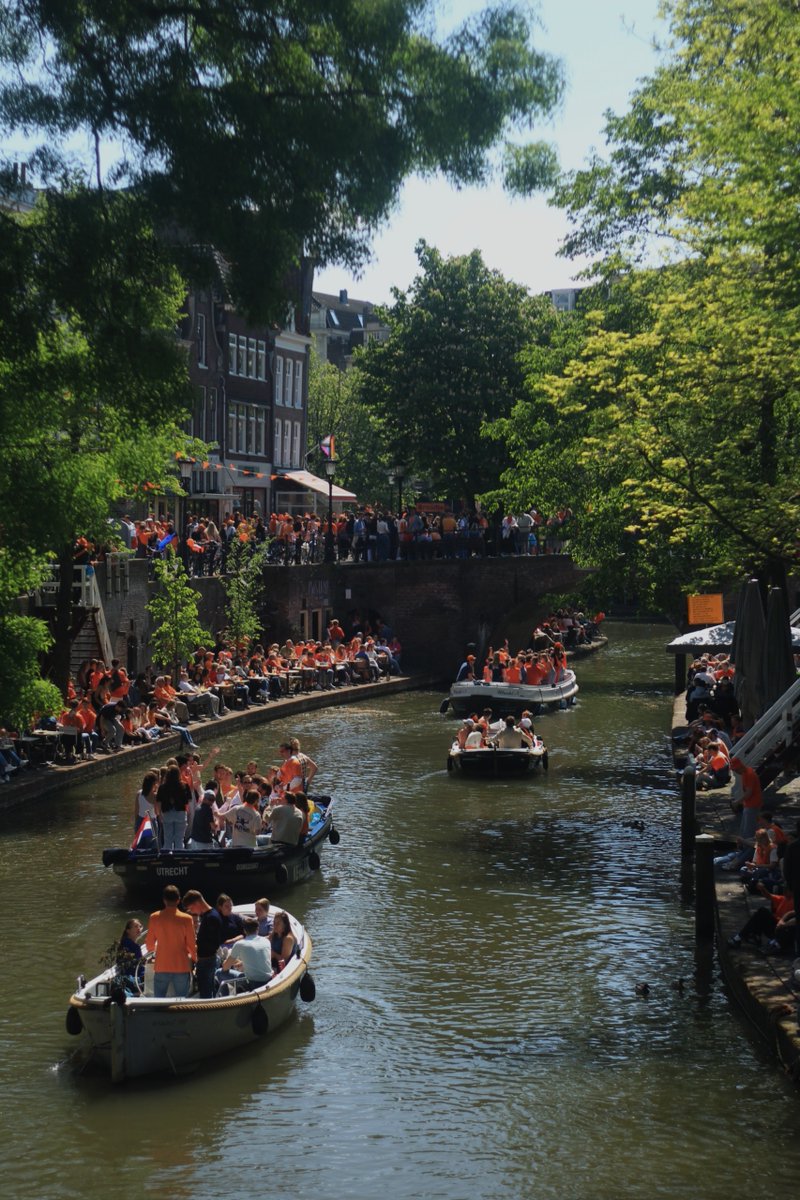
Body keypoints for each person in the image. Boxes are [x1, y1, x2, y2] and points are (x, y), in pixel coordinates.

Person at [184, 891, 243, 999]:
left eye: (191, 908)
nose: (192, 911)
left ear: (197, 903)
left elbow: (213, 943)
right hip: (205, 960)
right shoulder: (208, 915)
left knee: (206, 993)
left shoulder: (212, 918)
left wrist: (196, 947)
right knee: (207, 989)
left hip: (207, 961)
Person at [145, 884, 196, 998]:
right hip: (181, 966)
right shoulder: (187, 919)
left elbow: (149, 945)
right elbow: (191, 944)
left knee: (159, 1000)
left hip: (161, 965)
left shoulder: (154, 917)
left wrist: (158, 950)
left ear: (164, 900)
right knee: (181, 1001)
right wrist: (194, 959)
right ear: (178, 900)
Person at [219, 915, 273, 988]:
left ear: (244, 930)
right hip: (269, 979)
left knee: (219, 972)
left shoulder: (240, 944)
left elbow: (225, 968)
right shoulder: (266, 941)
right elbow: (261, 959)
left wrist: (224, 963)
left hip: (252, 983)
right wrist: (242, 963)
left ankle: (226, 994)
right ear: (258, 929)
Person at [155, 763, 192, 851]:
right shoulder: (184, 785)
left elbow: (158, 802)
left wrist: (159, 815)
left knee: (167, 839)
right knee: (179, 839)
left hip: (167, 813)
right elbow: (189, 800)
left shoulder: (162, 787)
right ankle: (179, 856)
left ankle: (167, 856)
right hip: (180, 813)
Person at [730, 756, 762, 839]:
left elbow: (748, 793)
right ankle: (745, 843)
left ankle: (747, 845)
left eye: (735, 770)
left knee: (748, 830)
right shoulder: (744, 773)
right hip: (749, 804)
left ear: (739, 767)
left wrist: (737, 802)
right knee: (745, 828)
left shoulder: (749, 774)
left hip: (753, 805)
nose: (735, 772)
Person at [116, 917, 145, 992]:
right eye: (135, 926)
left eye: (139, 926)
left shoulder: (124, 942)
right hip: (133, 976)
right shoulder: (133, 946)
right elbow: (139, 967)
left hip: (128, 974)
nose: (138, 928)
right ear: (128, 931)